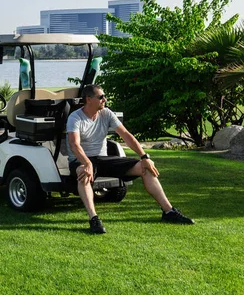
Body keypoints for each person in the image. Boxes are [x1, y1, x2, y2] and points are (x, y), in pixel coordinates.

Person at [67, 84, 194, 234]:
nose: (104, 100)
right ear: (89, 99)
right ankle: (94, 219)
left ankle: (169, 212)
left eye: (104, 96)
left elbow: (126, 135)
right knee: (84, 173)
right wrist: (86, 163)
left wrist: (144, 157)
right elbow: (74, 145)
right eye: (101, 97)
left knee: (145, 167)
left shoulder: (106, 113)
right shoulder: (75, 117)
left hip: (102, 159)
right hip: (81, 160)